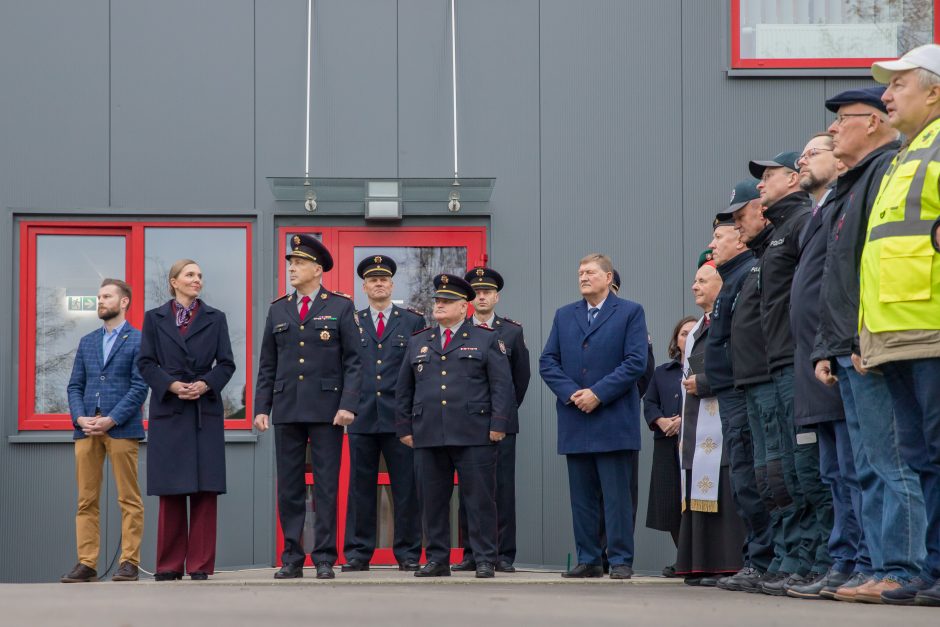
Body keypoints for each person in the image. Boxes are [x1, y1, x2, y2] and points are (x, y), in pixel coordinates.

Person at [815, 85, 927, 606]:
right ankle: (880, 565)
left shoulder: (882, 172)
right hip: (851, 341)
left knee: (891, 461)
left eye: (843, 118)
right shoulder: (856, 182)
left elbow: (871, 265)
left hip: (876, 340)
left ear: (874, 124)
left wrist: (860, 336)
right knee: (868, 464)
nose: (834, 128)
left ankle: (900, 567)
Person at [859, 45, 940, 606]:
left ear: (934, 90)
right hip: (894, 336)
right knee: (920, 458)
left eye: (899, 85)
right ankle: (932, 571)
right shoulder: (904, 156)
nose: (886, 95)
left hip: (930, 329)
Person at [254, 235, 362, 580]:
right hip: (287, 408)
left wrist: (348, 405)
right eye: (290, 263)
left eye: (298, 263)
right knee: (289, 487)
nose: (292, 269)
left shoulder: (340, 307)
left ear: (317, 269)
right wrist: (261, 407)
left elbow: (355, 362)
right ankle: (291, 556)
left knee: (327, 485)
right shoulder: (278, 309)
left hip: (327, 410)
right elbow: (267, 364)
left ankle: (326, 557)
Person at [395, 274, 514, 579]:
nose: (440, 305)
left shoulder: (486, 339)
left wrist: (499, 423)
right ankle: (437, 558)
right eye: (437, 301)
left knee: (479, 499)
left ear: (464, 307)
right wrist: (405, 427)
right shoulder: (419, 340)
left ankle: (485, 558)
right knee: (432, 501)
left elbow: (502, 386)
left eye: (447, 301)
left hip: (474, 432)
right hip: (429, 432)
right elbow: (404, 390)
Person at [750, 151, 831, 594]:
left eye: (769, 176)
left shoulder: (801, 223)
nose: (762, 185)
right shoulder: (779, 232)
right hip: (775, 366)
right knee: (779, 475)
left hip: (795, 364)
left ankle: (818, 560)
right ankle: (796, 560)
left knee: (806, 470)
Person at [539, 253, 648, 580]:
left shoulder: (630, 312)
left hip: (613, 419)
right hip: (576, 418)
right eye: (580, 272)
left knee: (617, 498)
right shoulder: (564, 315)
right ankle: (589, 559)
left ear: (608, 276)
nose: (583, 277)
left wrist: (598, 393)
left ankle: (620, 560)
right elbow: (548, 362)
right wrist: (573, 393)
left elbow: (635, 362)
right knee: (582, 498)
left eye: (589, 272)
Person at [778, 133, 847, 599]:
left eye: (813, 152)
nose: (803, 159)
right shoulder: (816, 217)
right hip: (813, 359)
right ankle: (845, 561)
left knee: (854, 468)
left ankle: (865, 562)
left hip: (839, 354)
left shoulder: (840, 206)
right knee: (831, 471)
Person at [138, 259, 236, 581]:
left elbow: (226, 364)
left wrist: (206, 383)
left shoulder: (216, 318)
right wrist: (170, 384)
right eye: (190, 275)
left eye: (200, 276)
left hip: (203, 410)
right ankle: (167, 565)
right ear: (174, 281)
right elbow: (146, 363)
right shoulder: (154, 319)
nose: (197, 280)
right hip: (170, 409)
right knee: (171, 489)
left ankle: (199, 565)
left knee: (205, 491)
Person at [705, 195, 775, 593]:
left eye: (719, 236)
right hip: (730, 390)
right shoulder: (733, 277)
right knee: (745, 479)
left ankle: (764, 560)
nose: (713, 244)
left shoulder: (748, 273)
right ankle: (757, 558)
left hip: (741, 387)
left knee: (753, 478)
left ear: (740, 240)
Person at [61, 279, 149, 584]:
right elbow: (74, 385)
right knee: (86, 500)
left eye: (106, 296)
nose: (100, 301)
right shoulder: (86, 342)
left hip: (122, 428)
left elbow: (140, 387)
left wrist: (111, 419)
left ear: (124, 302)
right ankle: (87, 563)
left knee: (129, 499)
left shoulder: (139, 340)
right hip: (86, 430)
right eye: (99, 296)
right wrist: (80, 418)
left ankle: (129, 562)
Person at [342, 255, 424, 573]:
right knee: (360, 489)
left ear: (391, 285)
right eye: (372, 280)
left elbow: (419, 370)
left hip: (399, 418)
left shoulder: (412, 322)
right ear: (364, 287)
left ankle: (407, 552)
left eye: (384, 279)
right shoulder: (352, 321)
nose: (379, 283)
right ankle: (359, 553)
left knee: (405, 488)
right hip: (361, 416)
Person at [726, 181, 786, 593]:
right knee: (758, 479)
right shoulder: (748, 269)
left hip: (768, 378)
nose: (731, 227)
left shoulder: (757, 264)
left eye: (735, 219)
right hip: (745, 383)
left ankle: (784, 560)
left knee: (782, 476)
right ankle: (769, 559)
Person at [451, 266, 530, 573]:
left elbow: (519, 379)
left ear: (496, 296)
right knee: (469, 489)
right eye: (477, 292)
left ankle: (503, 554)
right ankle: (471, 552)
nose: (482, 296)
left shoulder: (510, 331)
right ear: (469, 298)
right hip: (465, 424)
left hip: (501, 425)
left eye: (487, 291)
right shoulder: (459, 329)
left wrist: (503, 413)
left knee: (501, 489)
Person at [676, 261, 746, 585]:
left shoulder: (727, 318)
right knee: (701, 491)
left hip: (721, 421)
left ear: (720, 284)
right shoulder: (699, 327)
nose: (695, 286)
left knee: (724, 493)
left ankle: (726, 563)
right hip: (697, 422)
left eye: (702, 280)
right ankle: (701, 563)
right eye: (694, 280)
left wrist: (703, 382)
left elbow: (737, 360)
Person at [644, 315, 696, 576]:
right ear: (676, 339)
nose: (687, 337)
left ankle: (697, 559)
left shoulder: (703, 371)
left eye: (693, 332)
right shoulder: (662, 373)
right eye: (683, 333)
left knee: (696, 502)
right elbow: (649, 402)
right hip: (666, 446)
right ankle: (682, 558)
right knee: (671, 503)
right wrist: (660, 420)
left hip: (698, 449)